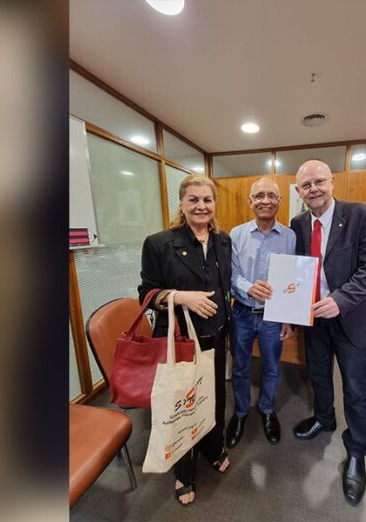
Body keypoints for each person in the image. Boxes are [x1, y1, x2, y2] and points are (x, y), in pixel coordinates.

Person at [290, 160, 366, 506]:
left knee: (356, 390)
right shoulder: (298, 224)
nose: (313, 189)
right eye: (306, 185)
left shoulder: (362, 215)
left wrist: (340, 300)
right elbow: (297, 270)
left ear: (332, 181)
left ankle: (357, 451)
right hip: (314, 318)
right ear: (299, 191)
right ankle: (324, 419)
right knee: (318, 375)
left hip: (352, 318)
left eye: (319, 181)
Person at [138, 175, 232, 507]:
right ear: (181, 203)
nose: (201, 206)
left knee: (215, 397)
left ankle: (212, 447)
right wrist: (180, 297)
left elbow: (224, 287)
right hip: (179, 340)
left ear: (214, 203)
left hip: (216, 336)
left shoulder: (223, 241)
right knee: (184, 404)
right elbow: (146, 295)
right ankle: (184, 471)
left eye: (207, 199)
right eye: (193, 199)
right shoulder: (159, 243)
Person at [226, 178, 296, 448]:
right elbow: (232, 274)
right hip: (242, 313)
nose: (265, 200)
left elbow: (293, 279)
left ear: (280, 201)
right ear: (250, 201)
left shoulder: (290, 236)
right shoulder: (236, 234)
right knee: (241, 367)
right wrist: (248, 287)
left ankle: (267, 409)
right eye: (259, 196)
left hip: (273, 316)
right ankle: (240, 412)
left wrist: (288, 317)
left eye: (271, 196)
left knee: (272, 367)